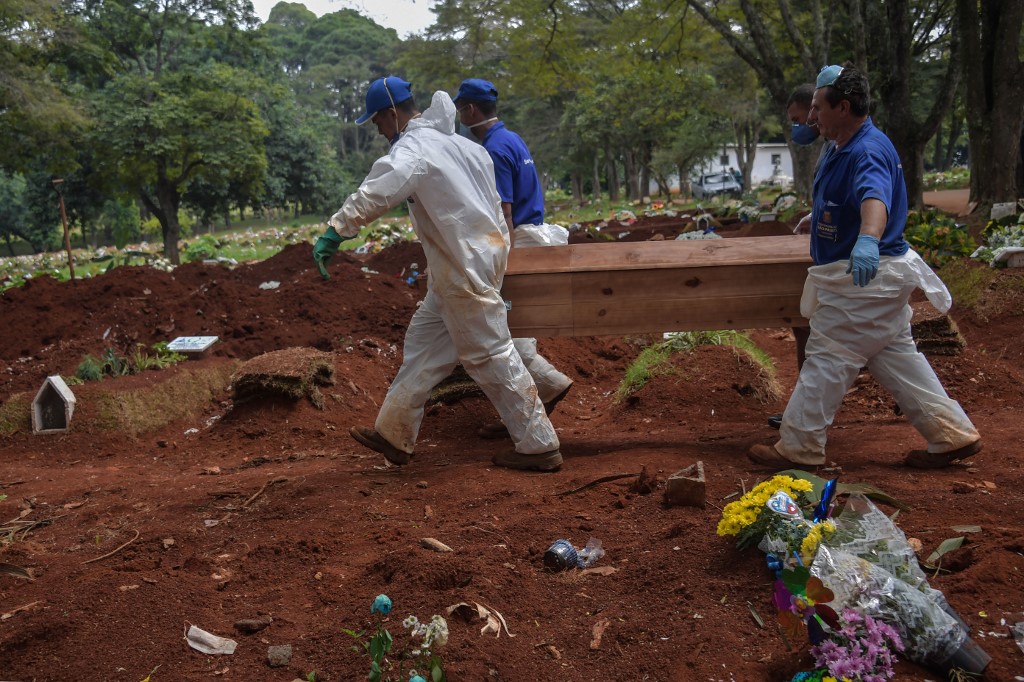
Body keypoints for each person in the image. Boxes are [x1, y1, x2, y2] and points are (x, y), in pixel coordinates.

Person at [312, 75, 562, 472]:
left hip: (463, 269)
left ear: (392, 113)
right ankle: (394, 432)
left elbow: (377, 190)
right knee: (424, 344)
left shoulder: (414, 150)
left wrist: (336, 230)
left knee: (490, 355)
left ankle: (538, 445)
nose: (377, 130)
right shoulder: (463, 146)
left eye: (377, 121)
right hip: (469, 264)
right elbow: (496, 206)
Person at [747, 63, 981, 469]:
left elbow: (875, 199)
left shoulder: (866, 149)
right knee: (895, 354)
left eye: (819, 108)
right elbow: (847, 197)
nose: (813, 116)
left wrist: (868, 238)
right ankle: (951, 433)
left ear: (845, 107)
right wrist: (820, 217)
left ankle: (799, 447)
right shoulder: (843, 145)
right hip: (874, 280)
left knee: (828, 355)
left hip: (865, 279)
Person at [453, 77, 574, 439]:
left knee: (507, 334)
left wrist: (506, 259)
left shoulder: (492, 148)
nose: (459, 116)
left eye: (461, 110)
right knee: (513, 331)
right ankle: (531, 406)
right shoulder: (514, 139)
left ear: (470, 110)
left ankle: (548, 388)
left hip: (518, 239)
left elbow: (503, 211)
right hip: (535, 234)